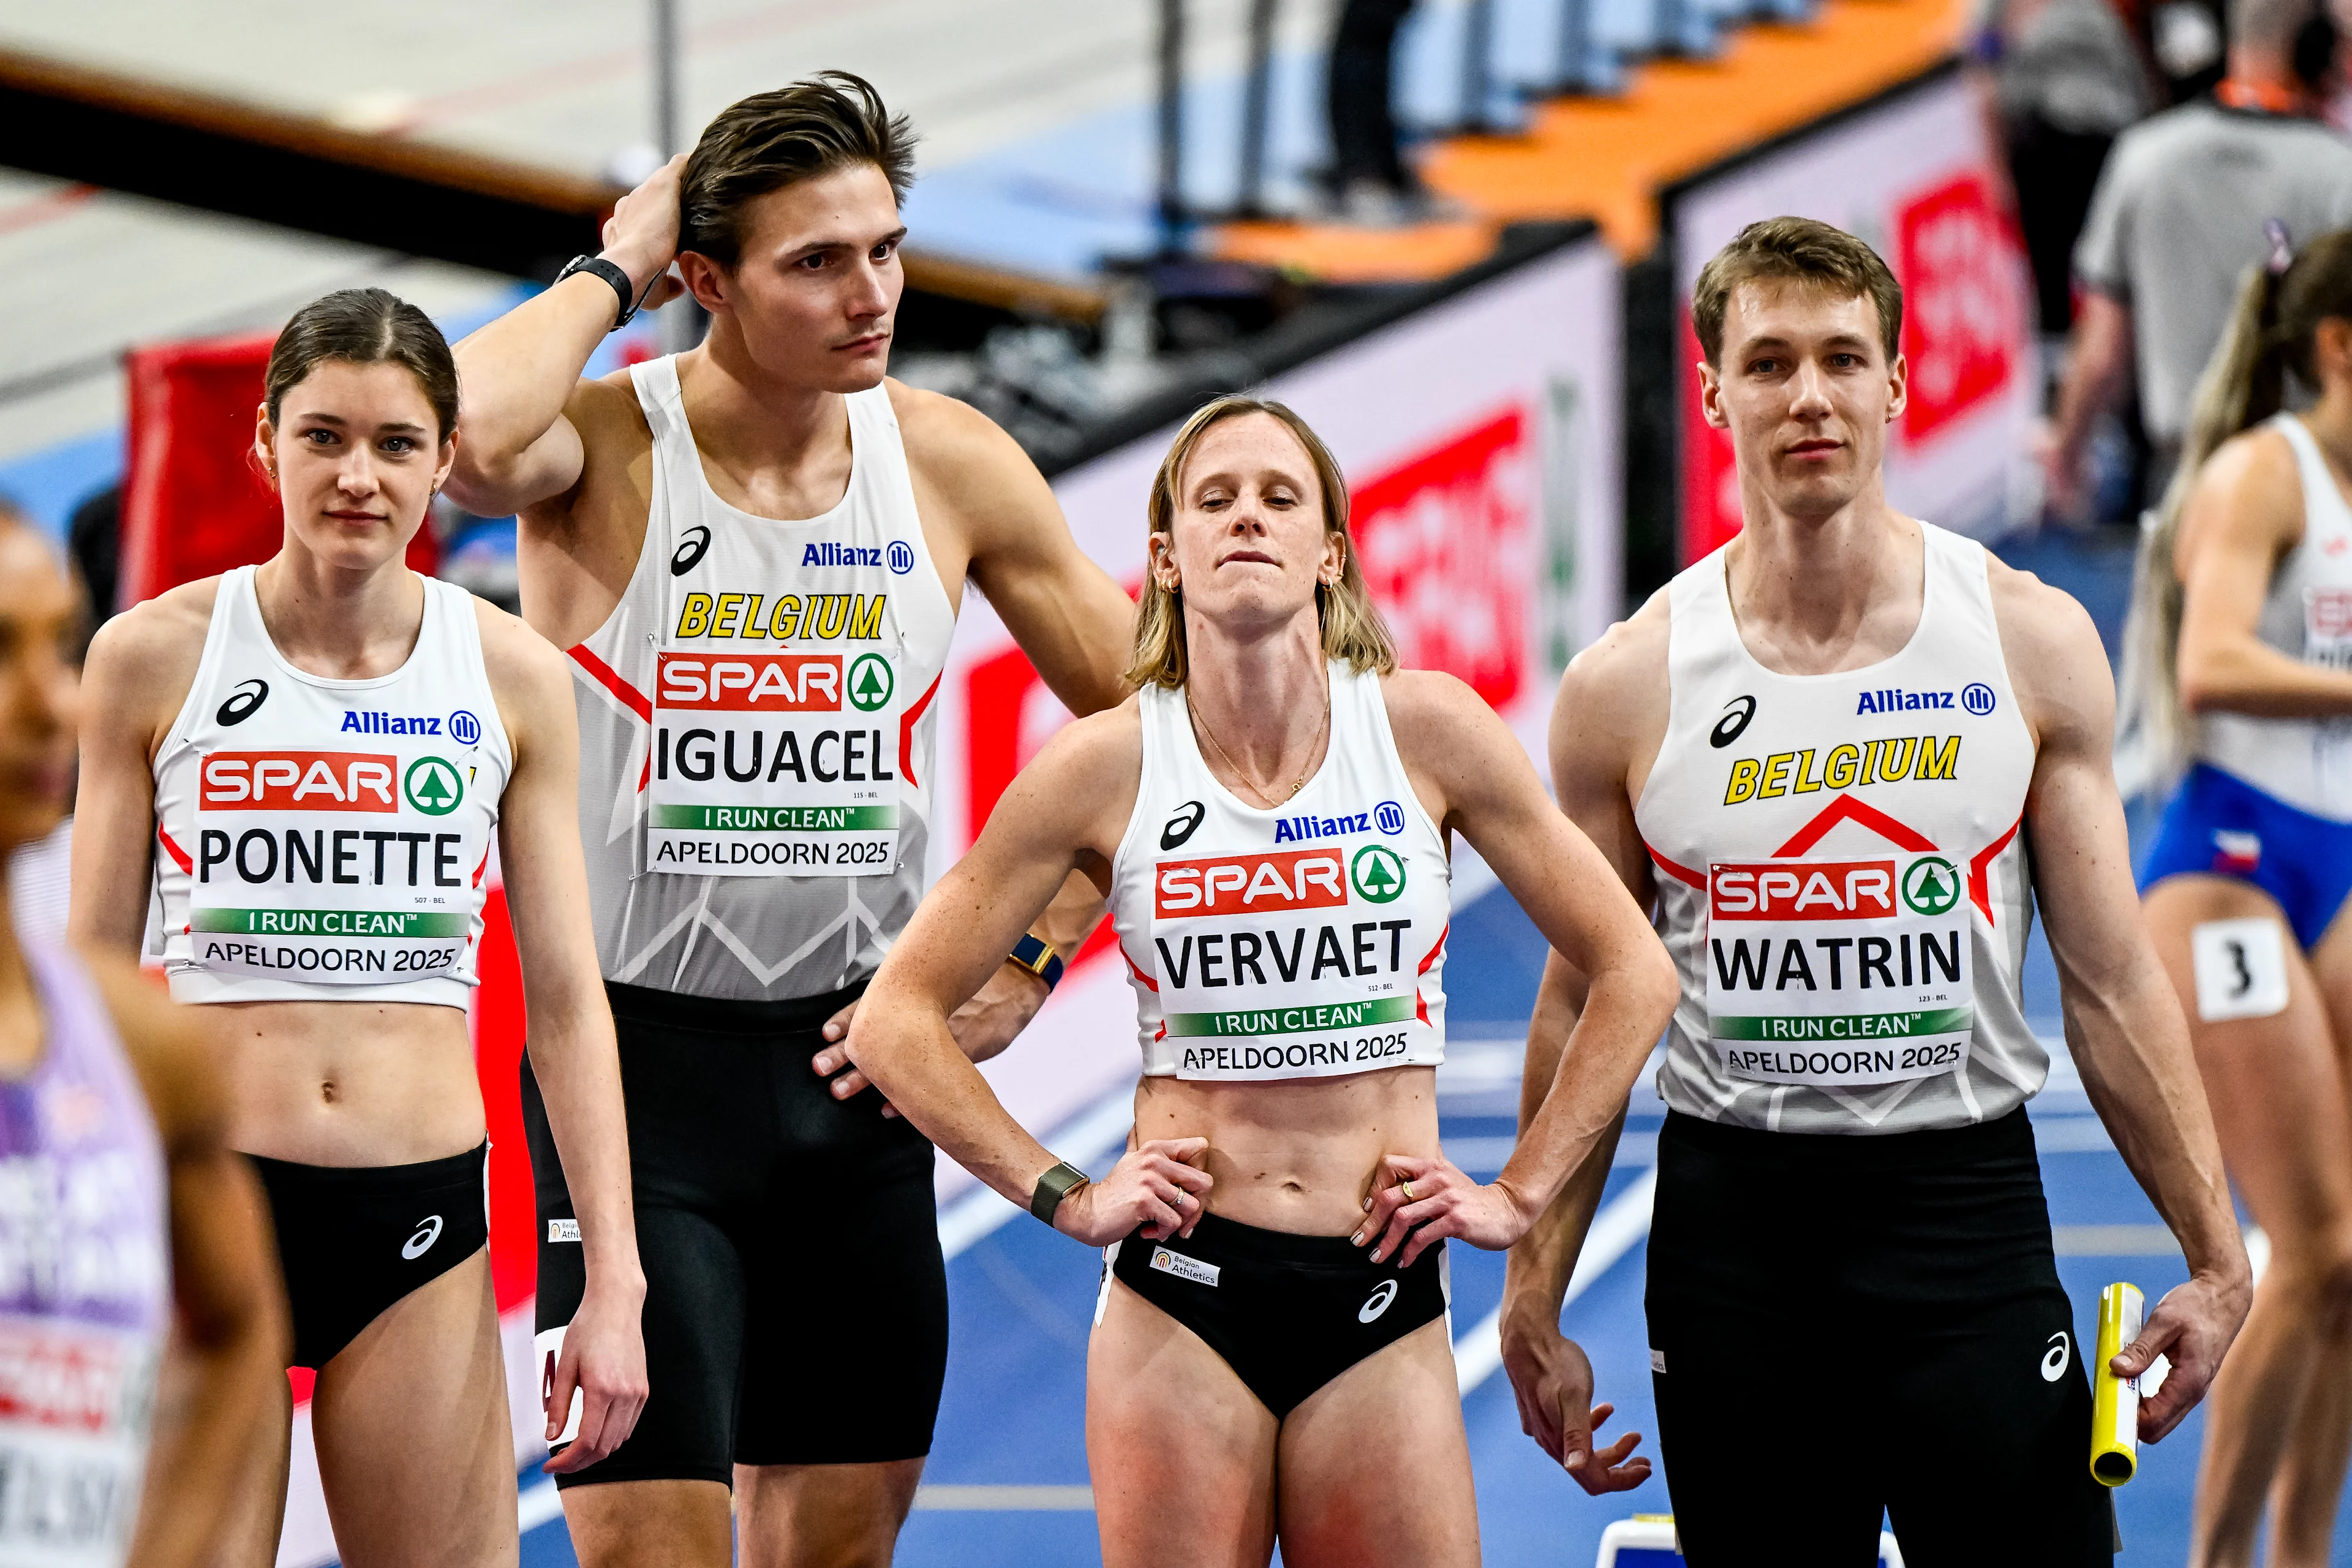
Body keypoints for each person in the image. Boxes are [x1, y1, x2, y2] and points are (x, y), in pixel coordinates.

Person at [440, 73, 1137, 1568]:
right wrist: (608, 266)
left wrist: (1030, 949)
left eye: (885, 246)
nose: (871, 291)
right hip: (634, 1087)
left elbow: (1163, 728)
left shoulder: (945, 459)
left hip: (855, 1083)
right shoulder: (603, 446)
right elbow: (462, 430)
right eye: (817, 261)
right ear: (705, 281)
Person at [1498, 217, 2250, 1561]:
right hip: (1737, 1235)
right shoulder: (1627, 685)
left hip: (1963, 1210)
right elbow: (1576, 1004)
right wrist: (1531, 1291)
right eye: (1770, 361)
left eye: (1844, 358)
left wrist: (2214, 1251)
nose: (1809, 397)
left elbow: (2111, 975)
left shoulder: (2026, 638)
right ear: (1714, 386)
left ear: (1897, 381)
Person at [843, 395, 1679, 1567]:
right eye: (1214, 500)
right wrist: (1065, 1196)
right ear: (1166, 558)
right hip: (1181, 1303)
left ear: (1330, 553)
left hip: (1380, 1298)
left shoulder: (1426, 731)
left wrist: (1519, 1195)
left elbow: (1636, 968)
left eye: (1281, 498)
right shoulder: (1105, 762)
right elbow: (896, 1019)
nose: (1248, 519)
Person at [70, 288, 649, 1564]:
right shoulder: (149, 658)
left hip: (420, 1222)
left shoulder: (509, 676)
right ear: (264, 444)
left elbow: (564, 1000)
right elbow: (87, 993)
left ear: (446, 460)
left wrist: (615, 1274)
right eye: (325, 436)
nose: (358, 475)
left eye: (396, 443)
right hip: (203, 1214)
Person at [0, 510, 284, 1568]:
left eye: (60, 645)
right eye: (0, 654)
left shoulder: (137, 1044)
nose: (53, 703)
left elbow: (239, 1332)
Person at [2128, 227, 2352, 1567]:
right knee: (2312, 1246)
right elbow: (2210, 662)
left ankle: (2304, 1554)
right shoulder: (2261, 477)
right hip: (2228, 869)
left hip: (2336, 851)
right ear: (2340, 346)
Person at [2047, 0, 2352, 517]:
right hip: (2313, 497)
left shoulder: (2142, 158)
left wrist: (2066, 455)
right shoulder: (2339, 175)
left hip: (2182, 492)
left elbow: (2099, 357)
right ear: (2316, 47)